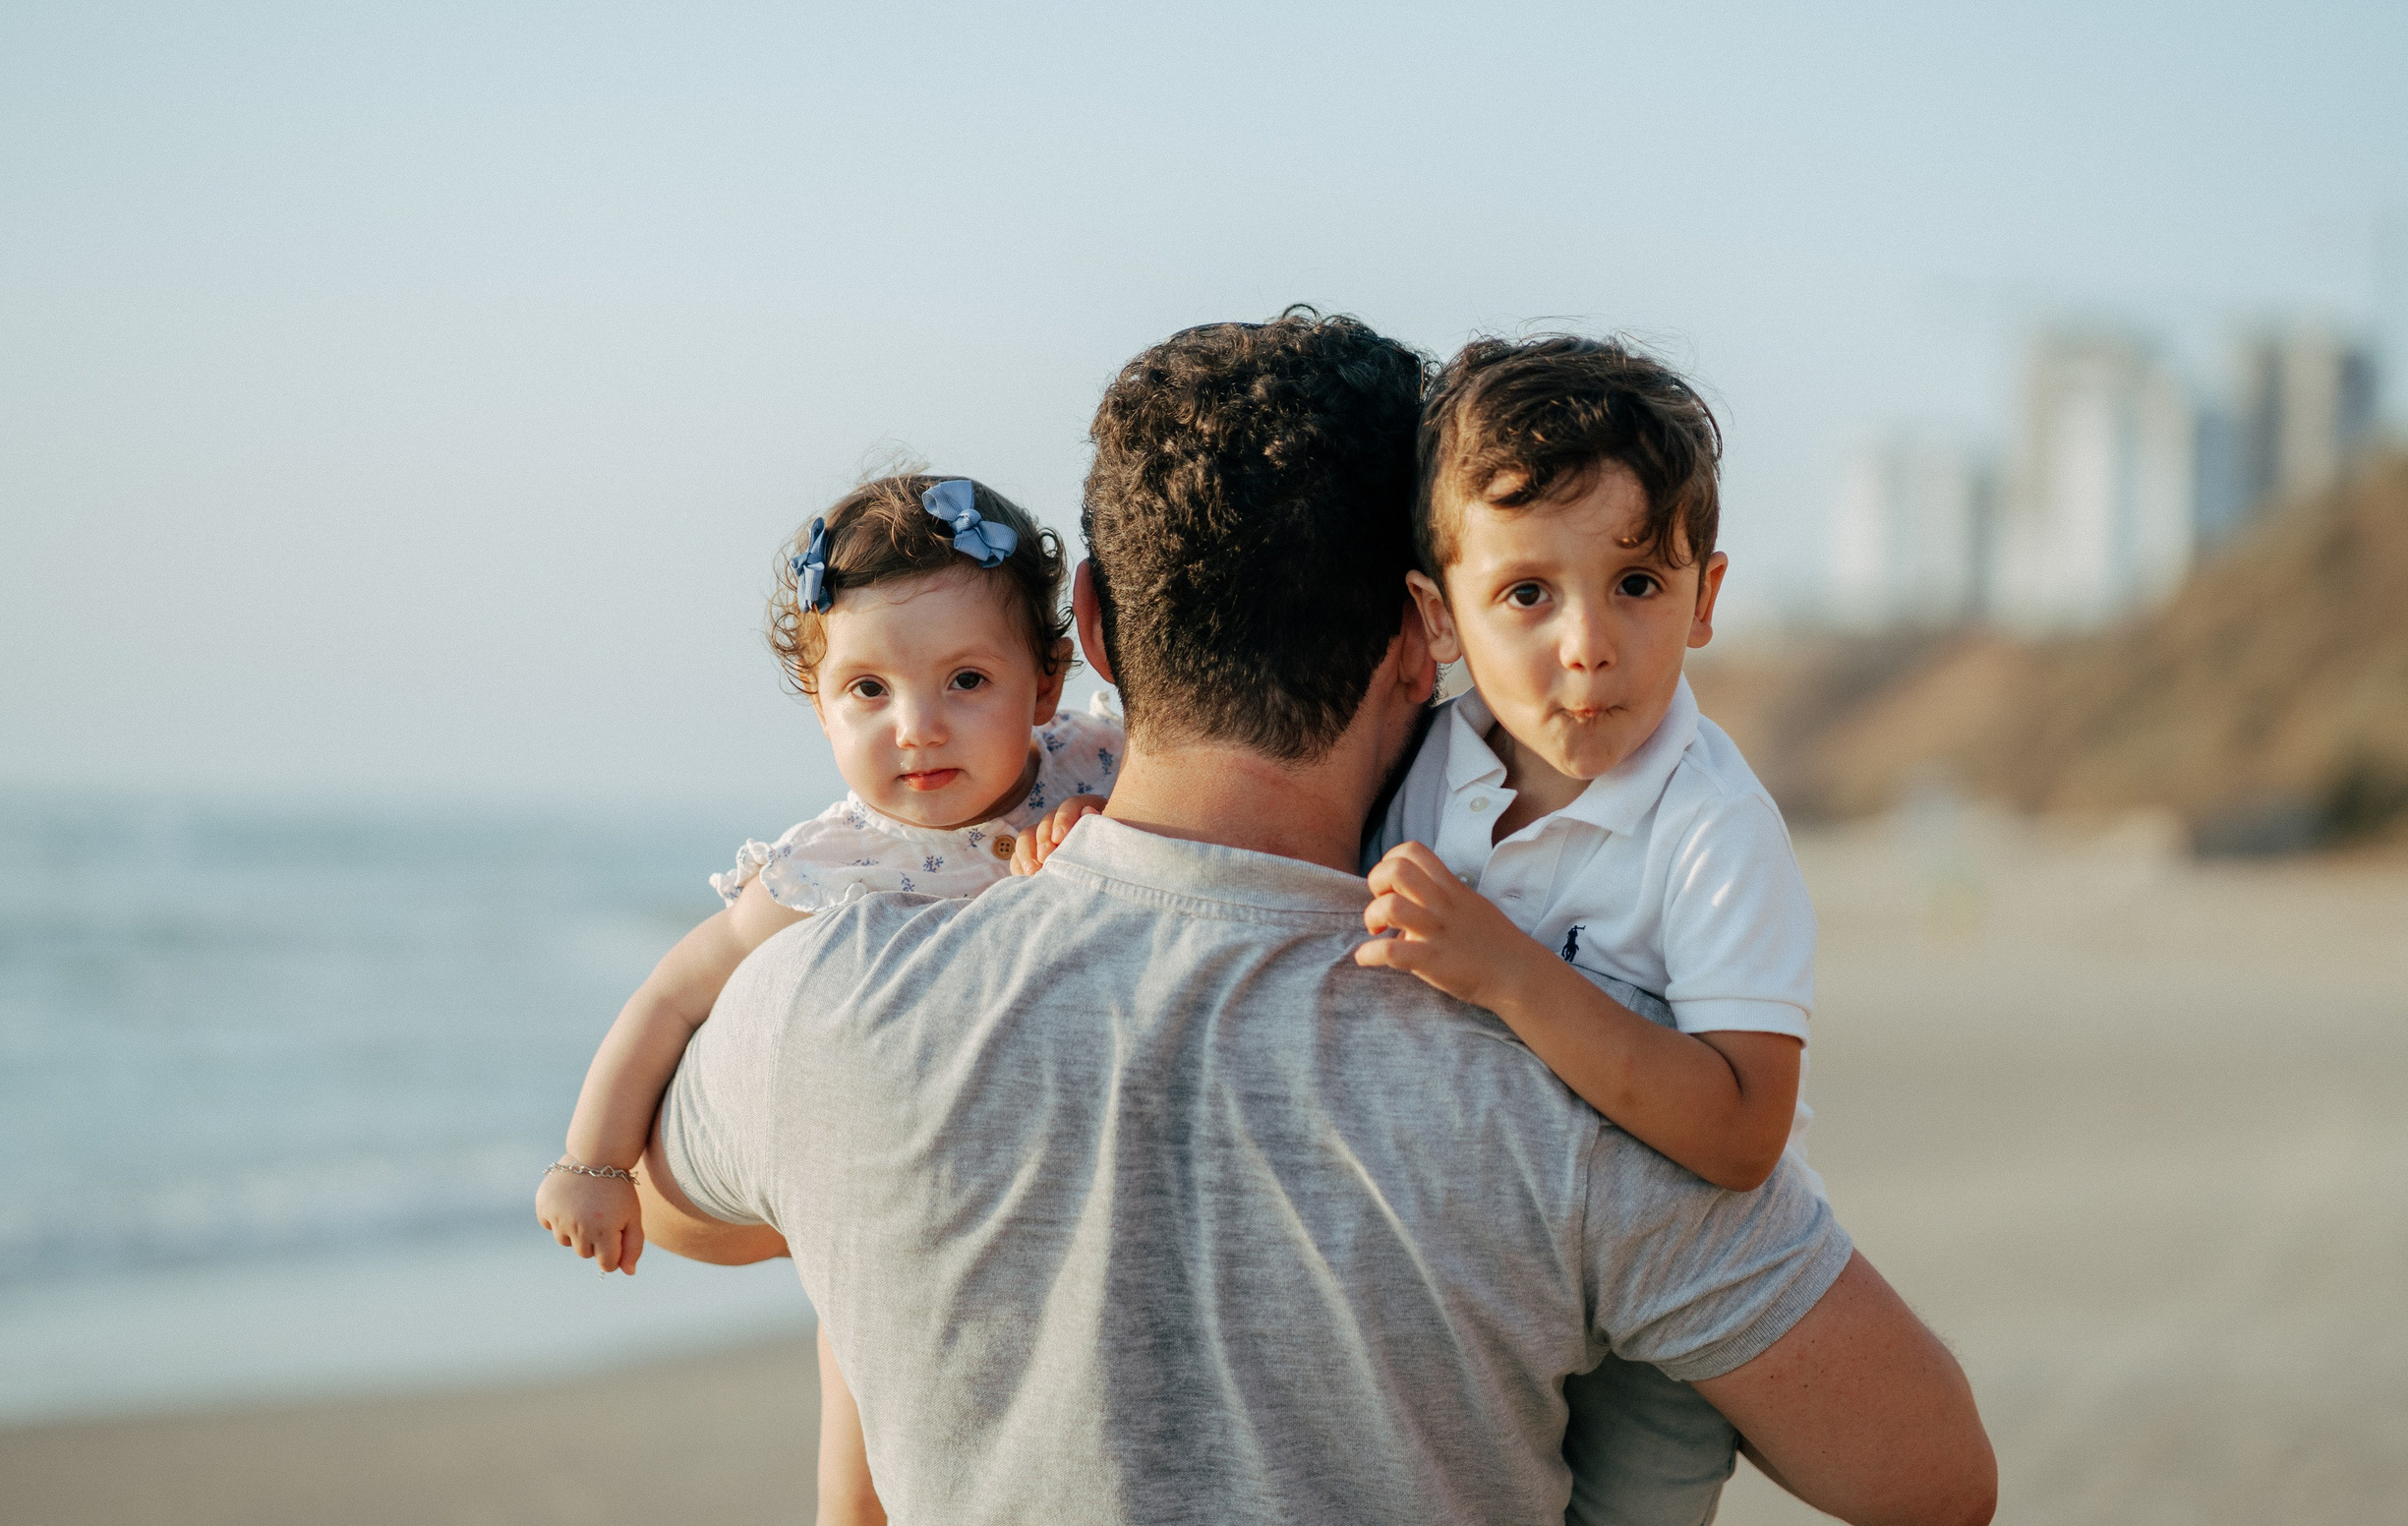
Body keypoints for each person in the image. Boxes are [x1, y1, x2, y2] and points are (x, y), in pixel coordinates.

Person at [637, 312, 1997, 1524]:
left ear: (1095, 630)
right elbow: (1933, 1474)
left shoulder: (832, 999)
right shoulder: (1570, 1082)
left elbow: (664, 1196)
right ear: (1427, 633)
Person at [532, 471, 1119, 1525]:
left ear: (1044, 684)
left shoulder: (1100, 769)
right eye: (869, 692)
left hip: (1037, 1199)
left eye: (967, 682)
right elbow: (672, 997)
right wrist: (593, 1163)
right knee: (856, 1491)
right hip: (885, 1228)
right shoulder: (834, 867)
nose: (918, 727)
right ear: (819, 704)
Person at [1358, 333, 1830, 1520]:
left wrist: (1511, 973)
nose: (1587, 644)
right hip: (1474, 1276)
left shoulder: (1712, 825)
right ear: (1438, 615)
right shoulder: (1415, 762)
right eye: (1526, 593)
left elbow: (1739, 1135)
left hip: (1663, 1324)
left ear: (1703, 598)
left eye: (1636, 584)